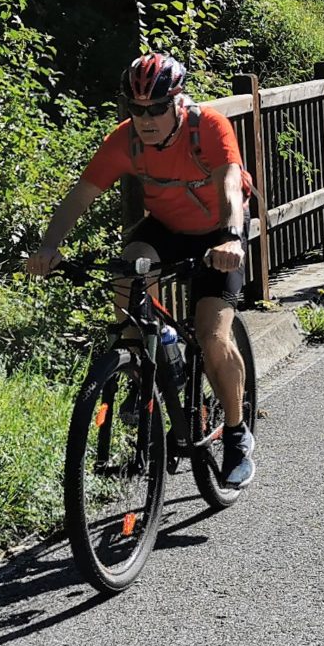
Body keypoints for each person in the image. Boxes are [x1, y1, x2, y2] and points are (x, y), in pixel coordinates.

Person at [25, 53, 255, 488]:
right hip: (166, 227)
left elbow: (228, 181)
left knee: (212, 334)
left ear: (177, 102)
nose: (145, 119)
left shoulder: (207, 126)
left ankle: (237, 434)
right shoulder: (125, 140)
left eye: (155, 109)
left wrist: (229, 237)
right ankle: (140, 368)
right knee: (127, 272)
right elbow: (82, 195)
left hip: (217, 230)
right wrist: (48, 248)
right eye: (136, 109)